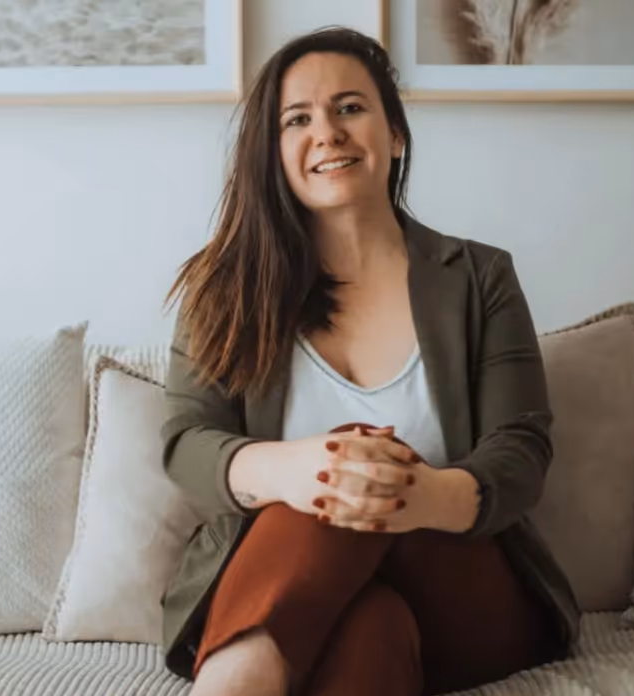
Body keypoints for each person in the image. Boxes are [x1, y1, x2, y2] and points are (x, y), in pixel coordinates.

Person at [159, 26, 580, 696]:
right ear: (272, 152)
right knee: (370, 625)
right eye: (298, 119)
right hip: (300, 596)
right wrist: (294, 470)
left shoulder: (479, 277)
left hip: (465, 591)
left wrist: (425, 494)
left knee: (348, 464)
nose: (326, 132)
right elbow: (185, 443)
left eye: (350, 107)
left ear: (396, 133)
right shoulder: (224, 288)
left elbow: (520, 448)